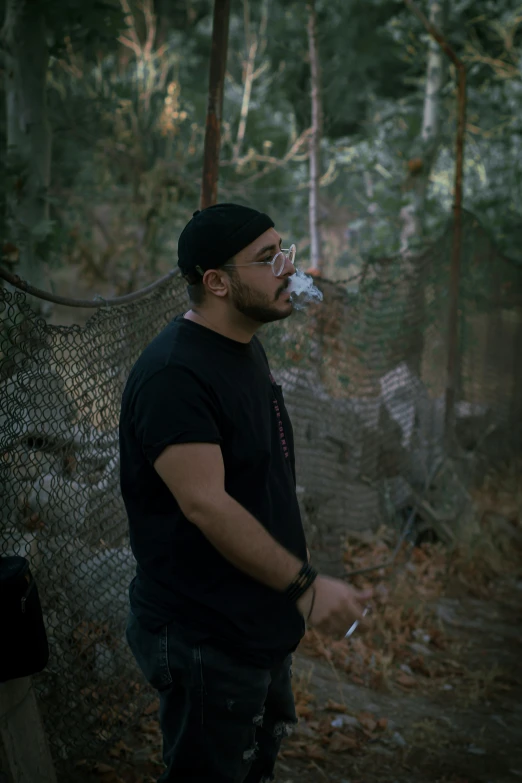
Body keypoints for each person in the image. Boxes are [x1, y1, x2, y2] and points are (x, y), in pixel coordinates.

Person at [119, 203, 372, 783]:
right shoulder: (175, 376)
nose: (288, 267)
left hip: (254, 622)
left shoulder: (243, 347)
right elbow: (206, 503)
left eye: (284, 251)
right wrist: (306, 587)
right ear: (216, 281)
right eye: (267, 258)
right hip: (204, 636)